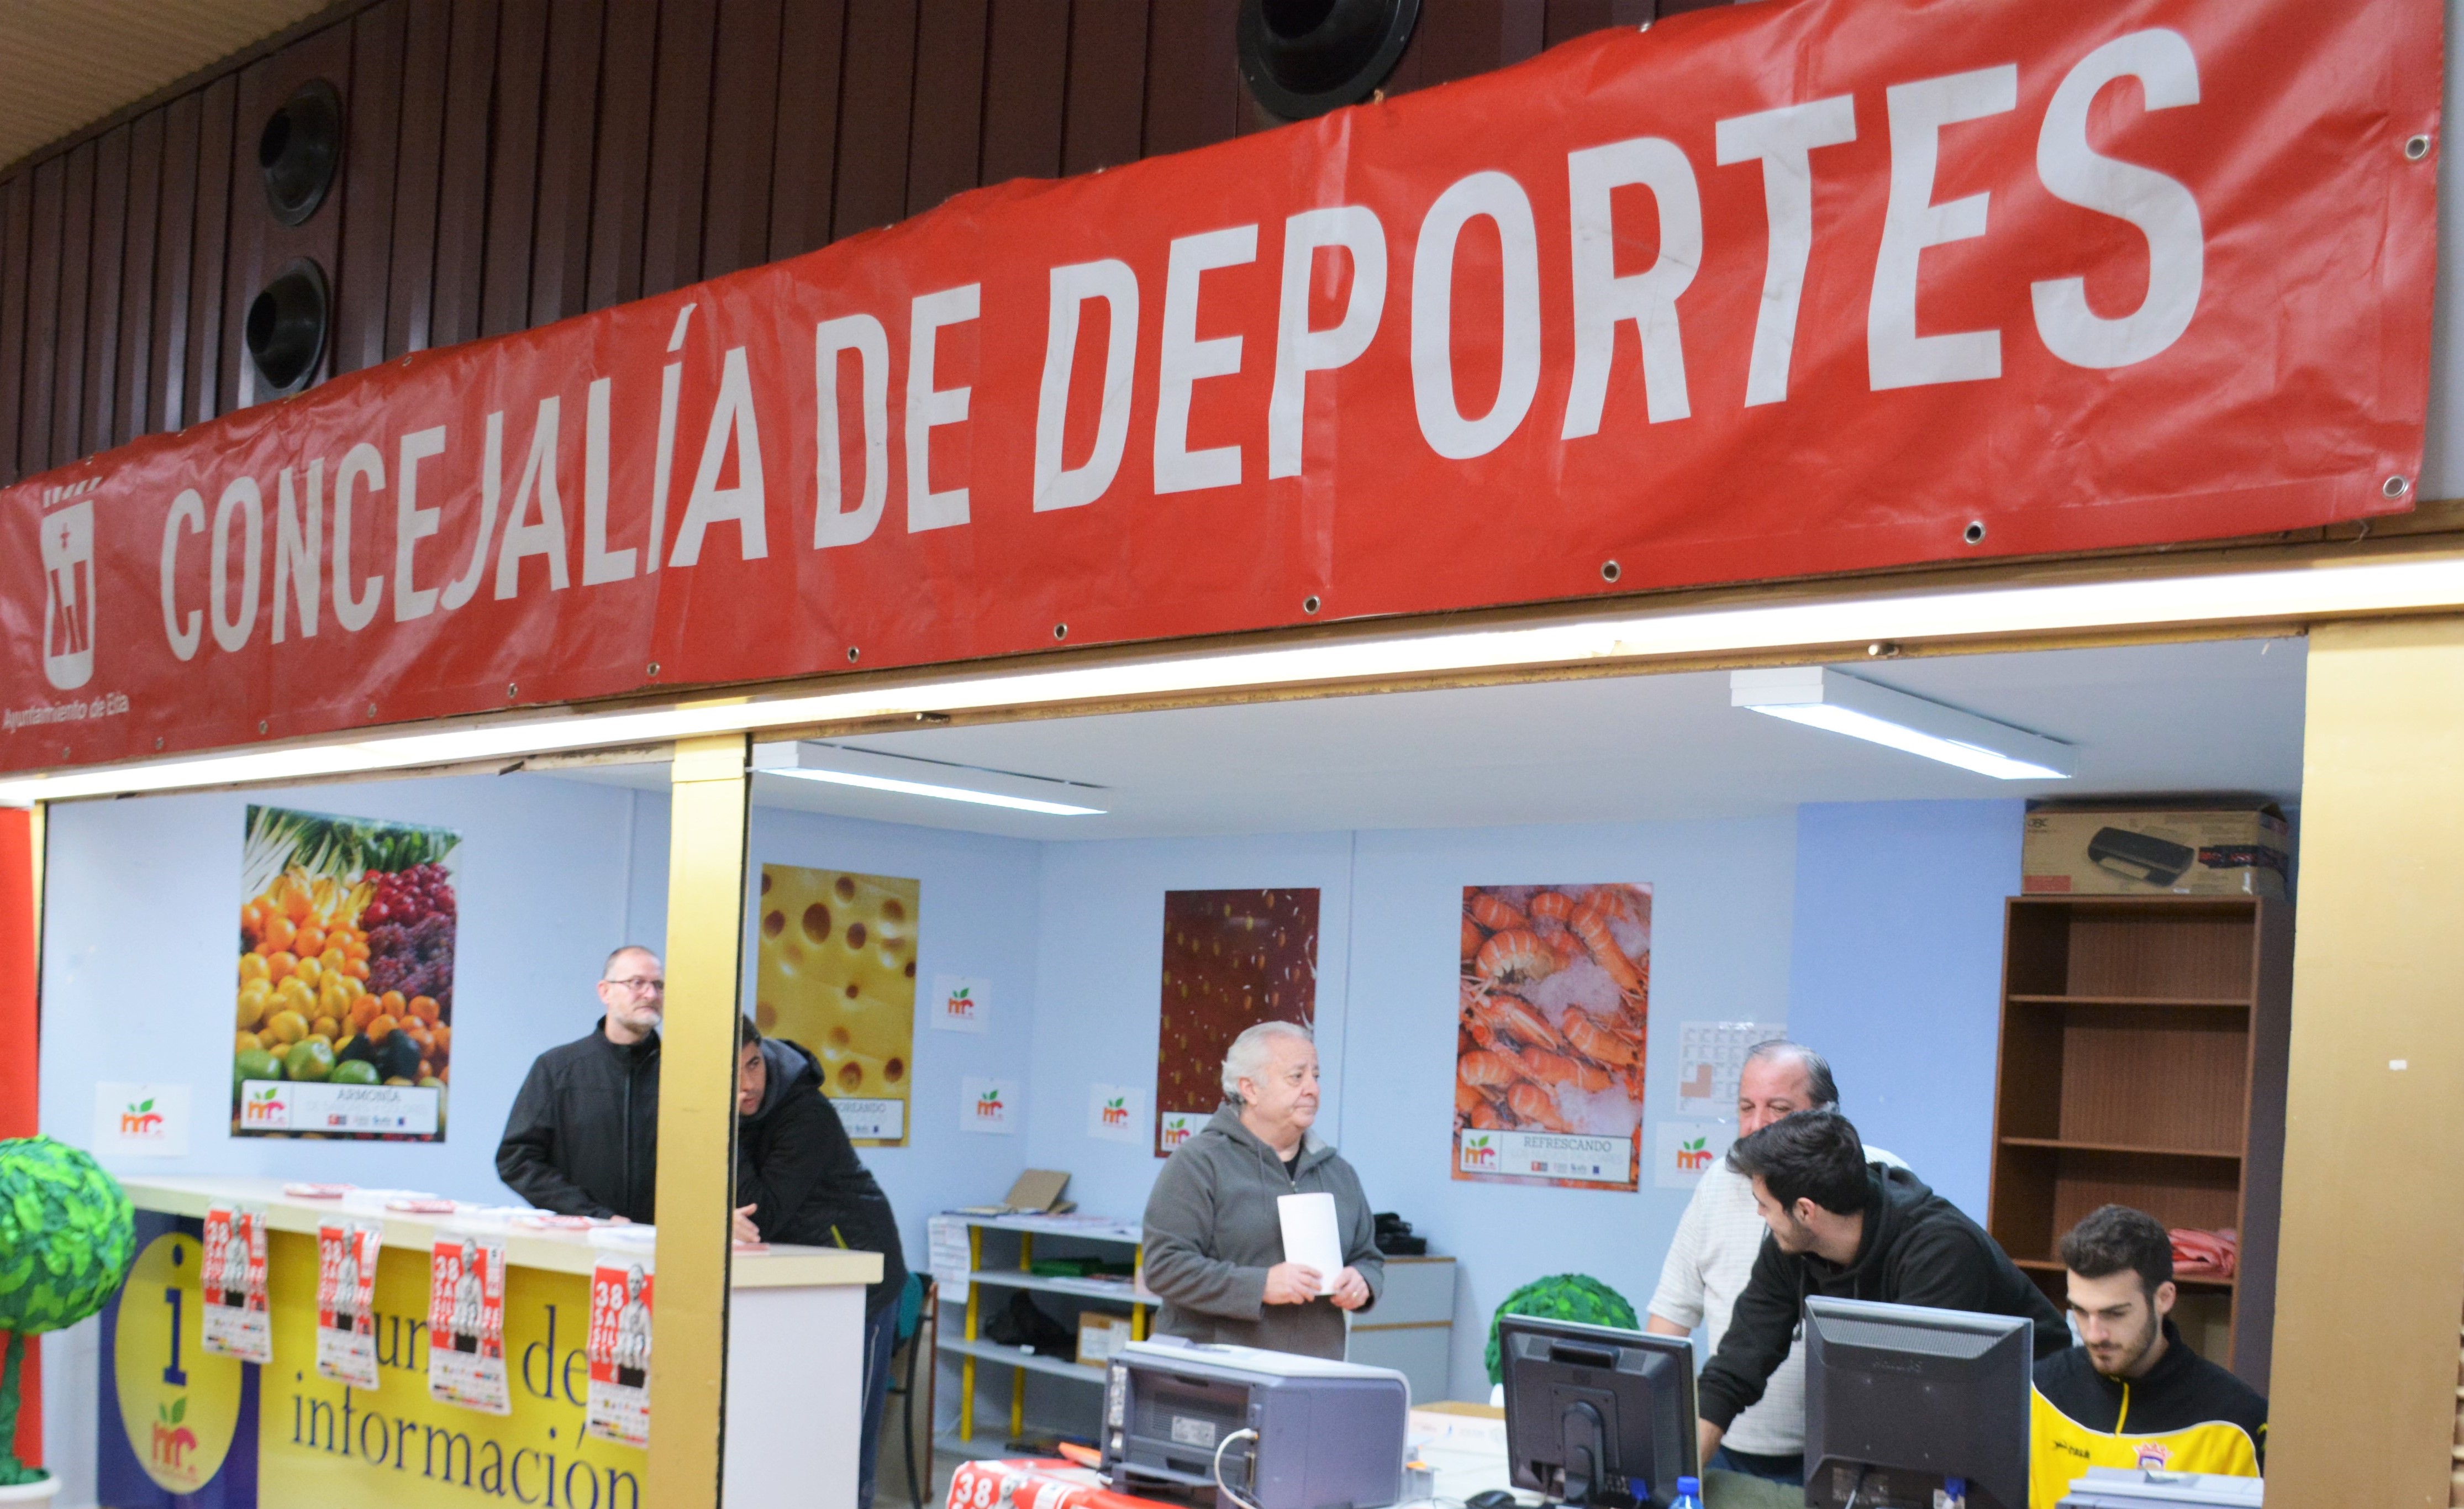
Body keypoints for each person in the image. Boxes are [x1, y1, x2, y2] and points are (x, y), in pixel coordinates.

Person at [1696, 1108, 2068, 1466]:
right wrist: (1682, 1477)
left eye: (1764, 1204)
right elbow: (1735, 1367)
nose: (1759, 1214)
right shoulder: (1791, 1247)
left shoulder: (1940, 1249)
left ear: (1806, 1210)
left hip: (2031, 1428)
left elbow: (1916, 1392)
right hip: (1931, 1427)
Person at [1647, 1042, 1905, 1485]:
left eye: (1778, 1107)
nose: (1756, 1124)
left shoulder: (1873, 1182)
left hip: (1840, 1456)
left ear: (1826, 1116)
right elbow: (1673, 1318)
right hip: (1725, 1438)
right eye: (1746, 1107)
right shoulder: (1717, 1185)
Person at [731, 1016, 909, 1508]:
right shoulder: (743, 1115)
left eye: (752, 1064)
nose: (747, 1084)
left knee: (844, 1438)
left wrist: (723, 1128)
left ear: (762, 1053)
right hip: (802, 1290)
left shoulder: (805, 1113)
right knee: (801, 1438)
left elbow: (759, 1210)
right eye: (731, 1073)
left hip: (861, 1285)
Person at [1141, 1021, 1383, 1359]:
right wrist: (1260, 1285)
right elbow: (1164, 1267)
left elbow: (1368, 1256)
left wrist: (1364, 1282)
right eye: (1297, 1077)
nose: (1313, 1089)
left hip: (1313, 1372)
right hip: (1221, 1374)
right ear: (1250, 1089)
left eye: (1316, 1076)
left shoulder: (1339, 1172)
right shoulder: (1198, 1163)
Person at [2031, 1206, 2265, 1506]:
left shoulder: (2236, 1421)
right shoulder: (2036, 1391)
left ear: (2164, 1298)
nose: (2093, 1334)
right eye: (2080, 1311)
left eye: (2114, 1314)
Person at [496, 945, 665, 1222]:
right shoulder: (557, 1069)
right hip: (579, 1243)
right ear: (605, 991)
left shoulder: (682, 1076)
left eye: (658, 985)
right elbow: (517, 1160)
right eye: (637, 983)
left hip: (666, 1246)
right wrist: (592, 1215)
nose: (651, 994)